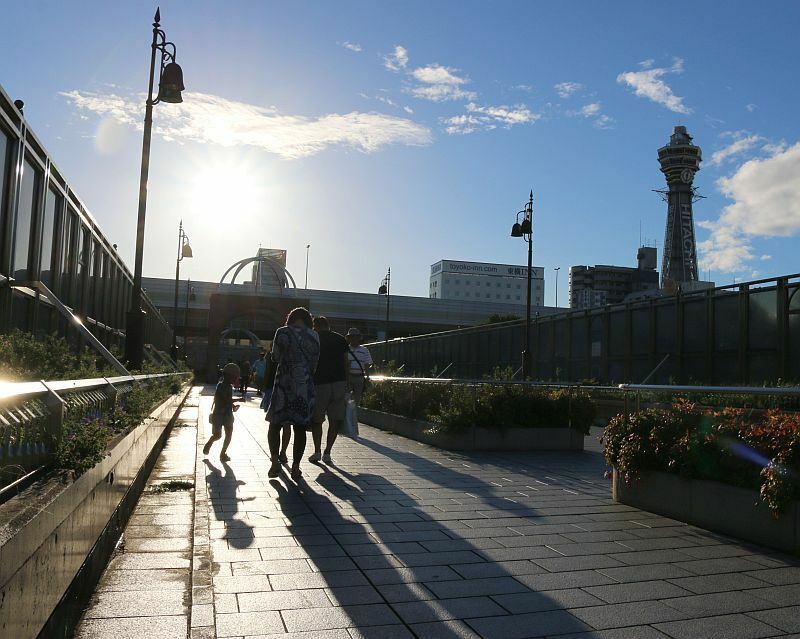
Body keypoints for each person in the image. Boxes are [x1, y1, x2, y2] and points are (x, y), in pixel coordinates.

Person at [265, 307, 319, 480]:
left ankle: (275, 462)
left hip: (284, 384)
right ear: (308, 320)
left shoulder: (282, 332)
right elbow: (315, 363)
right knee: (300, 428)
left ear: (291, 318)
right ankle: (295, 467)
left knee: (275, 424)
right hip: (304, 386)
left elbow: (275, 357)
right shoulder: (314, 335)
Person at [309, 316, 349, 465]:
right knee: (335, 420)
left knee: (317, 419)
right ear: (328, 325)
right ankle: (327, 453)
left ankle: (317, 451)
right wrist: (347, 383)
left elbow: (311, 361)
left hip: (320, 383)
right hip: (339, 383)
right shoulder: (340, 339)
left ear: (316, 326)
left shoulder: (314, 338)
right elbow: (346, 362)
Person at [203, 362, 241, 462]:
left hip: (222, 414)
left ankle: (220, 451)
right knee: (223, 435)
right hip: (221, 415)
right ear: (228, 376)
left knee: (222, 435)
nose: (235, 379)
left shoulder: (224, 386)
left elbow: (227, 400)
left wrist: (233, 406)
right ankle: (219, 450)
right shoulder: (223, 386)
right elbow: (226, 400)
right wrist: (238, 400)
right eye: (234, 377)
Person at [346, 327, 373, 404]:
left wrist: (367, 378)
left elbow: (367, 365)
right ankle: (348, 414)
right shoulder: (345, 349)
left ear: (358, 338)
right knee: (347, 399)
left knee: (357, 400)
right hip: (348, 377)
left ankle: (354, 414)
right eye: (352, 337)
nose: (354, 339)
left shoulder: (364, 350)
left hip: (359, 377)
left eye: (355, 337)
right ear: (349, 338)